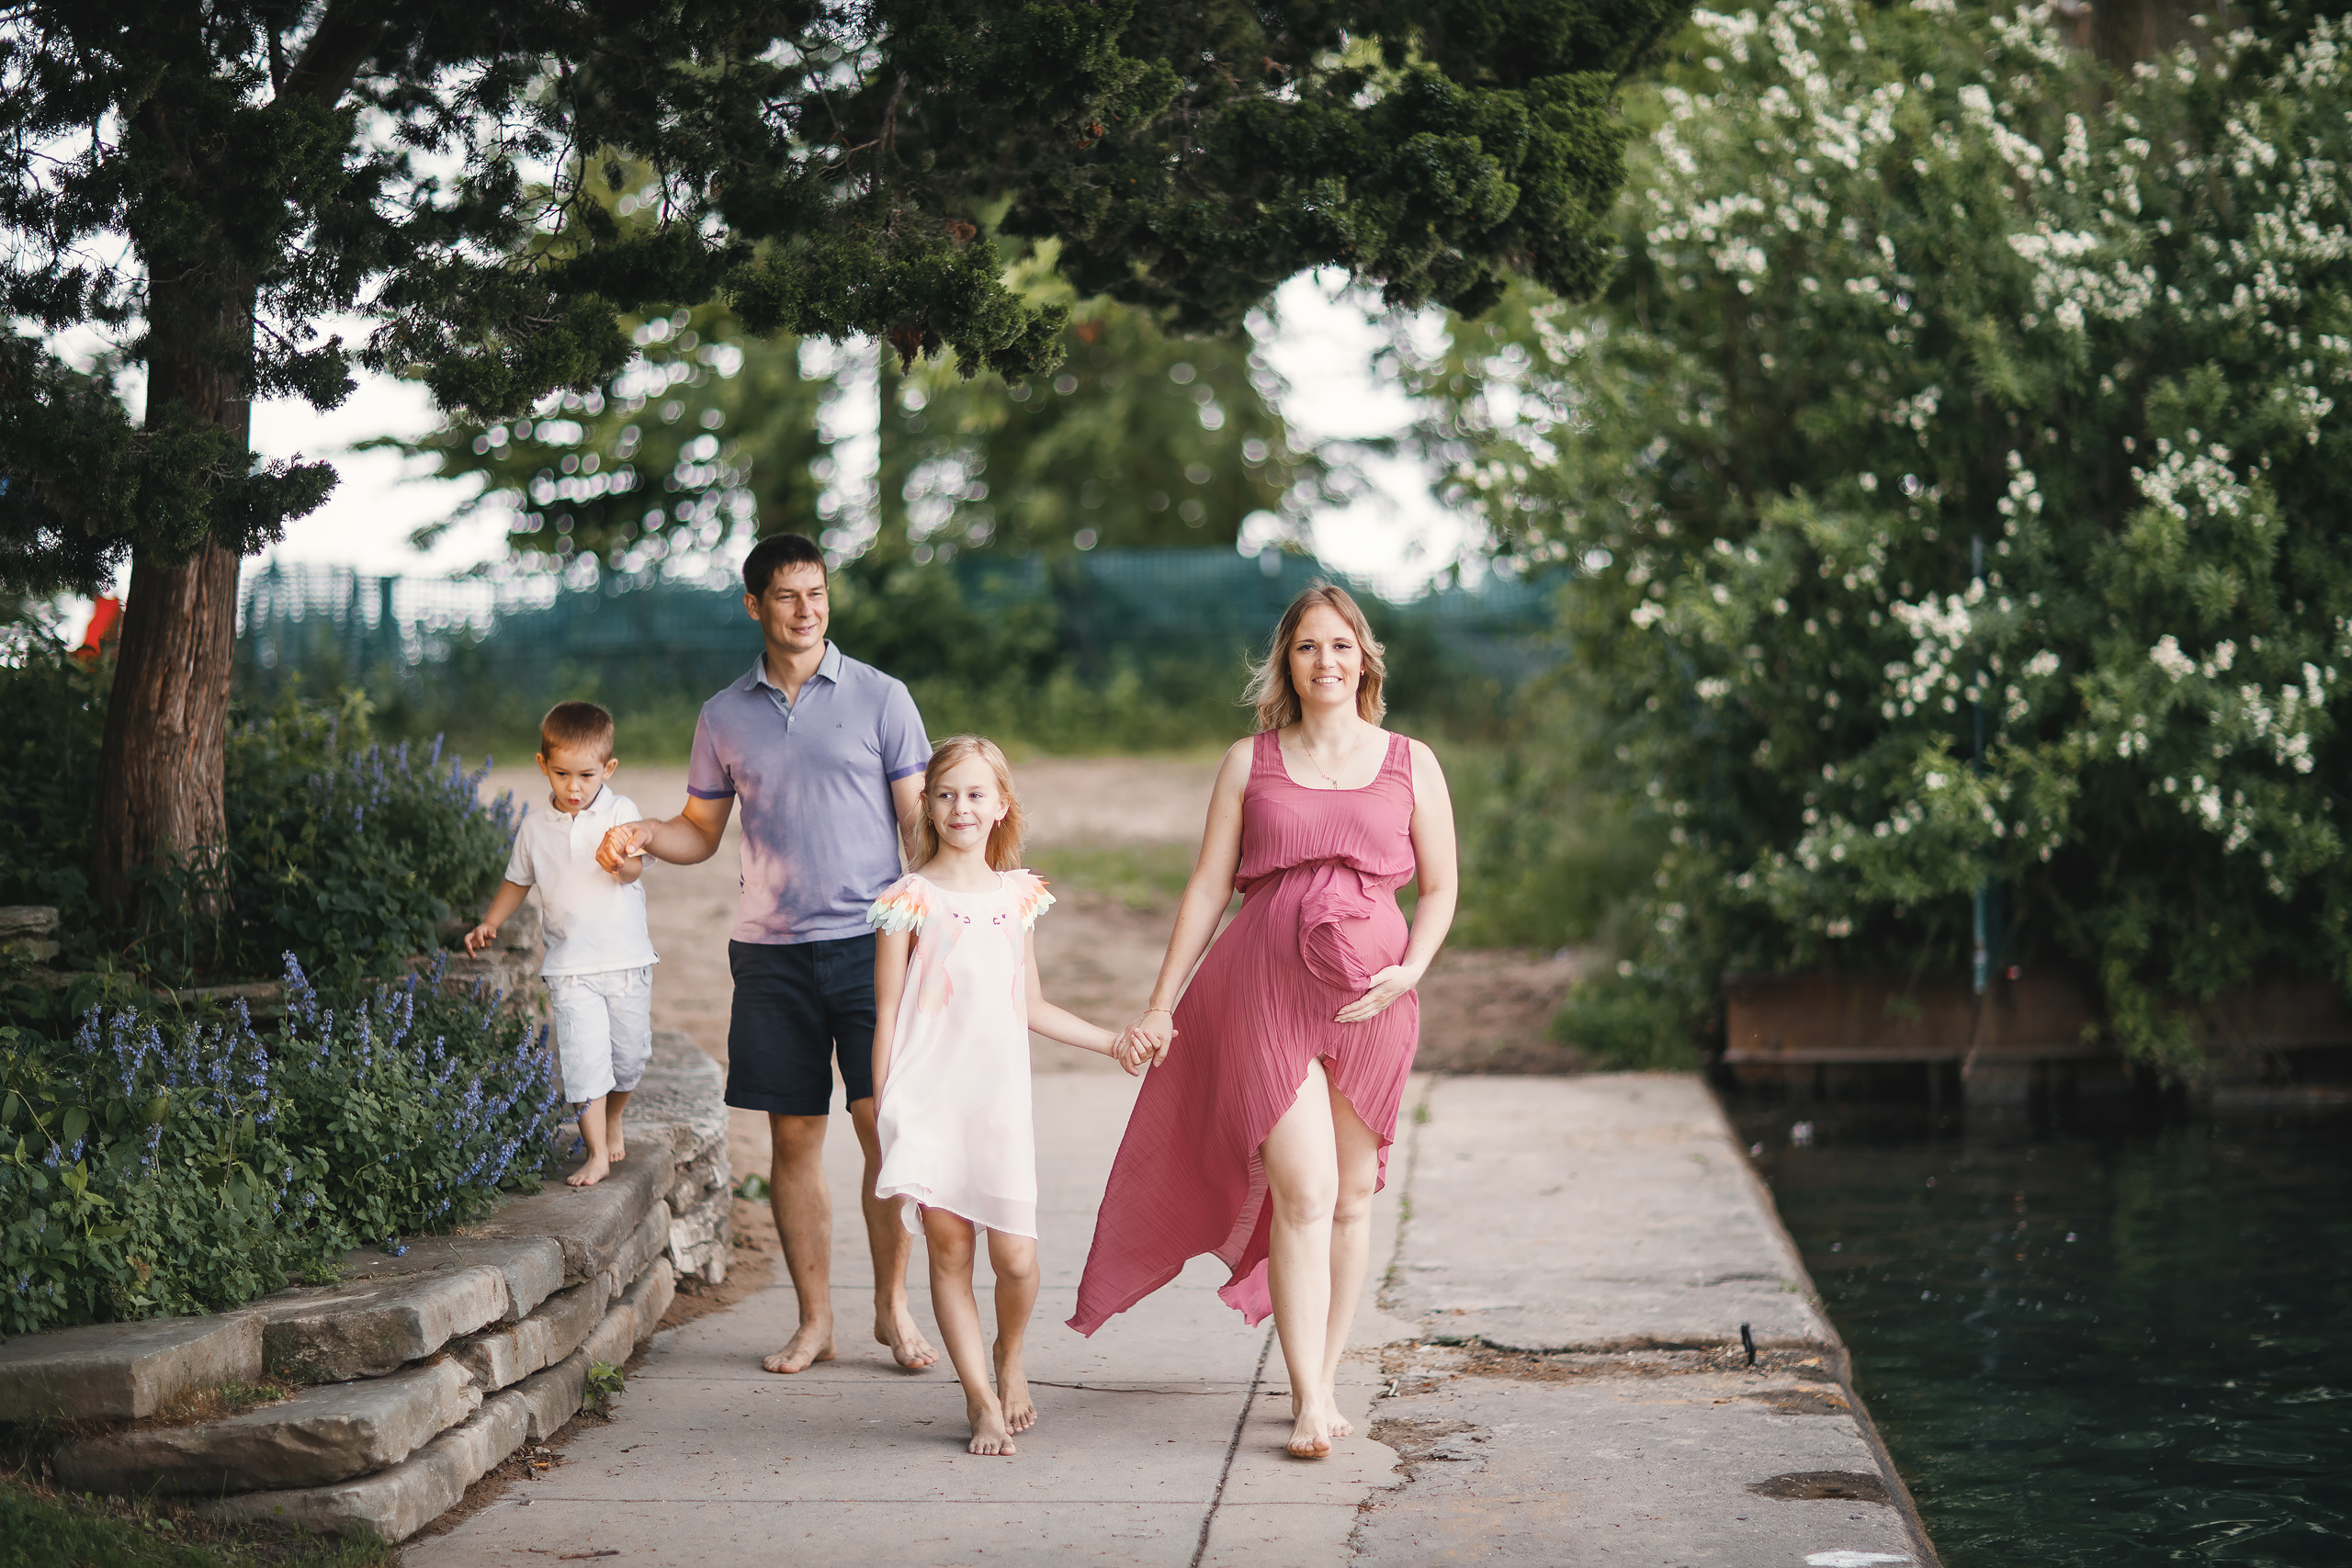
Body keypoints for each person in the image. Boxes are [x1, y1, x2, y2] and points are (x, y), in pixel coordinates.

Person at [1071, 582, 1459, 1460]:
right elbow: (1209, 886)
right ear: (1286, 661)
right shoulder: (1252, 762)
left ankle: (1327, 1373)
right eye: (1308, 646)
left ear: (1366, 658)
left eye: (1341, 645)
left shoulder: (1411, 760)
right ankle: (1309, 1396)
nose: (1327, 661)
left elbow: (1441, 887)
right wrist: (1161, 1003)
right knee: (1306, 1191)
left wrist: (1412, 970)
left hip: (1373, 999)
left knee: (1353, 1198)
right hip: (1260, 995)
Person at [595, 533, 939, 1374]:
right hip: (771, 955)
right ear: (755, 605)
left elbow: (920, 825)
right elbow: (701, 832)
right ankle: (814, 1320)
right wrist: (642, 832)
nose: (806, 609)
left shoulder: (883, 697)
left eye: (816, 592)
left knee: (881, 1128)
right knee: (794, 1138)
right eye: (787, 595)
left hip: (874, 946)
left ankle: (891, 1308)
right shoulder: (723, 715)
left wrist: (943, 920)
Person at [866, 736, 1126, 1454]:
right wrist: (887, 1108)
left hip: (997, 1105)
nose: (961, 806)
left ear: (1002, 804)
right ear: (927, 804)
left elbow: (1031, 1003)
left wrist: (1111, 1040)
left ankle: (1010, 1354)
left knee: (1014, 1258)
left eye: (977, 793)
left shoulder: (1019, 896)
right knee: (950, 1249)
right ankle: (979, 1397)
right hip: (927, 1100)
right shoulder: (907, 900)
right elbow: (887, 1011)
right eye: (946, 793)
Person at [467, 701, 660, 1190]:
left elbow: (637, 867)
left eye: (586, 775)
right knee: (582, 1062)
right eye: (561, 774)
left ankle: (614, 1116)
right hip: (570, 967)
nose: (574, 788)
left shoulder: (621, 812)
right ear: (542, 766)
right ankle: (595, 1153)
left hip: (627, 962)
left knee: (630, 1059)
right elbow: (517, 881)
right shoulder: (533, 829)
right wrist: (490, 921)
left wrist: (621, 862)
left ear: (608, 769)